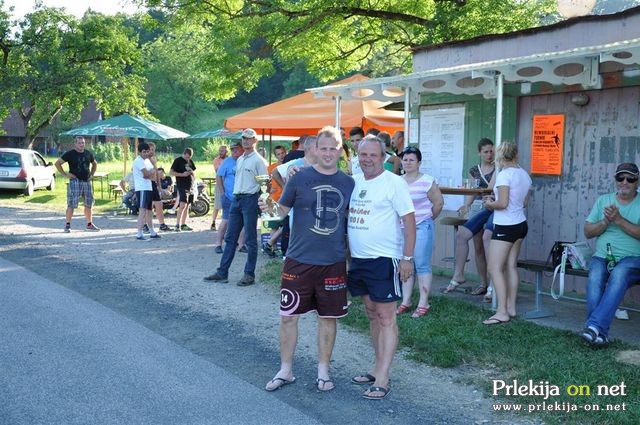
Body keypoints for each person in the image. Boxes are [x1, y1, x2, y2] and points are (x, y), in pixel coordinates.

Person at [264, 126, 354, 393]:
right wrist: (266, 207)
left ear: (340, 151)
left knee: (328, 317)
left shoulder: (349, 183)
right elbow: (280, 212)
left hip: (333, 261)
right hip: (298, 258)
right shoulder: (299, 177)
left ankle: (323, 371)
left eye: (332, 149)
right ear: (314, 148)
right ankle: (285, 370)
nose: (327, 153)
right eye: (323, 148)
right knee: (288, 316)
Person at [347, 135, 416, 400]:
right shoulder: (355, 181)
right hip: (359, 260)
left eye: (373, 155)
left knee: (386, 317)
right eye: (363, 154)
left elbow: (409, 222)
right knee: (372, 314)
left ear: (383, 157)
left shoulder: (394, 183)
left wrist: (407, 258)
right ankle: (377, 369)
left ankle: (384, 378)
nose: (368, 160)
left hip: (384, 259)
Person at [581, 162, 640, 346]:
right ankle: (598, 334)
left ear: (637, 182)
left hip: (633, 259)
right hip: (602, 257)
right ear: (615, 180)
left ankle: (593, 326)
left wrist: (619, 220)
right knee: (595, 276)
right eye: (620, 178)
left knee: (619, 273)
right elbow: (588, 232)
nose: (625, 182)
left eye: (630, 178)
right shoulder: (603, 200)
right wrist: (605, 222)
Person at [204, 128, 268, 286]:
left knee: (250, 239)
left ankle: (249, 274)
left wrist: (261, 201)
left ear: (255, 141)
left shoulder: (259, 161)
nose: (246, 141)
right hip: (237, 199)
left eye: (249, 138)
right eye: (244, 138)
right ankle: (222, 272)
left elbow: (265, 184)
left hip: (250, 199)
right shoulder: (240, 159)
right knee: (230, 237)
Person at [482, 141, 531, 325]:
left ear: (500, 156)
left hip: (506, 226)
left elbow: (502, 204)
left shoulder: (504, 175)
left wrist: (489, 203)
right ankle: (511, 307)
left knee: (494, 268)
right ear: (516, 154)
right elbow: (523, 202)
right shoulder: (524, 175)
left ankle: (502, 311)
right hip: (520, 224)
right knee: (511, 266)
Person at [396, 146, 444, 318]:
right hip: (402, 228)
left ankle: (424, 303)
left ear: (419, 163)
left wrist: (427, 219)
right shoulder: (397, 181)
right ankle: (406, 301)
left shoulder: (427, 181)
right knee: (406, 263)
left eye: (412, 160)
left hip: (421, 226)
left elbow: (438, 203)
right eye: (405, 159)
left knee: (422, 264)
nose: (407, 163)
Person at [445, 138, 496, 295]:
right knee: (478, 247)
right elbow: (472, 191)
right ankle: (482, 283)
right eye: (486, 152)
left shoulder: (498, 168)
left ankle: (493, 285)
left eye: (491, 151)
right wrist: (467, 205)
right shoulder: (474, 170)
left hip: (493, 207)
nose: (489, 154)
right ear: (479, 153)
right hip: (478, 207)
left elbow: (493, 189)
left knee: (490, 245)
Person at [55, 136, 100, 232]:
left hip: (86, 181)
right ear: (75, 144)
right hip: (75, 181)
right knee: (71, 203)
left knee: (88, 203)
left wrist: (92, 174)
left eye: (83, 143)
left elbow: (95, 164)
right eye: (79, 143)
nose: (81, 145)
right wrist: (65, 174)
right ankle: (67, 225)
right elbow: (57, 163)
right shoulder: (70, 154)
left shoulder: (88, 153)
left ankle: (89, 224)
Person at [214, 141, 244, 254]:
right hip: (229, 196)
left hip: (243, 196)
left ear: (242, 149)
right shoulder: (227, 162)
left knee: (243, 222)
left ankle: (241, 245)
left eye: (236, 149)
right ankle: (218, 244)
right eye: (232, 149)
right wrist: (222, 193)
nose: (234, 151)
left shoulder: (245, 160)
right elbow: (219, 176)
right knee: (225, 221)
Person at [132, 142, 160, 241]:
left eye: (147, 151)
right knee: (142, 210)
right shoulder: (138, 161)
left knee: (149, 210)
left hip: (148, 187)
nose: (146, 153)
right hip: (142, 188)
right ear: (139, 152)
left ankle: (152, 232)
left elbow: (153, 175)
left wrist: (152, 172)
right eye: (144, 152)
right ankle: (139, 233)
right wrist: (151, 173)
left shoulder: (147, 161)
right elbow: (146, 174)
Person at [263, 145, 287, 257]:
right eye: (278, 154)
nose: (281, 156)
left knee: (285, 225)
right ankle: (273, 249)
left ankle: (271, 245)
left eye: (282, 153)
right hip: (273, 200)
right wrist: (268, 189)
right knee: (274, 226)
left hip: (286, 201)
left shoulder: (289, 166)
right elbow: (264, 182)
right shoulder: (271, 168)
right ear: (275, 156)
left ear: (285, 153)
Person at [170, 148, 197, 231]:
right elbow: (171, 172)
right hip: (181, 185)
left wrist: (191, 172)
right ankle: (177, 224)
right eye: (187, 157)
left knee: (187, 205)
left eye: (189, 157)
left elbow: (194, 173)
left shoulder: (190, 161)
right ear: (184, 154)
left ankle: (183, 224)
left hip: (190, 185)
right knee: (182, 204)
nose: (187, 159)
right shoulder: (178, 161)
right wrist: (182, 174)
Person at [211, 145, 228, 230]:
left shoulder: (229, 160)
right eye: (220, 150)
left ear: (226, 152)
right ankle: (213, 222)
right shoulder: (216, 160)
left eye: (222, 151)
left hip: (228, 184)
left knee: (227, 204)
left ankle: (225, 223)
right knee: (217, 205)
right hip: (219, 183)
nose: (220, 152)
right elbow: (218, 171)